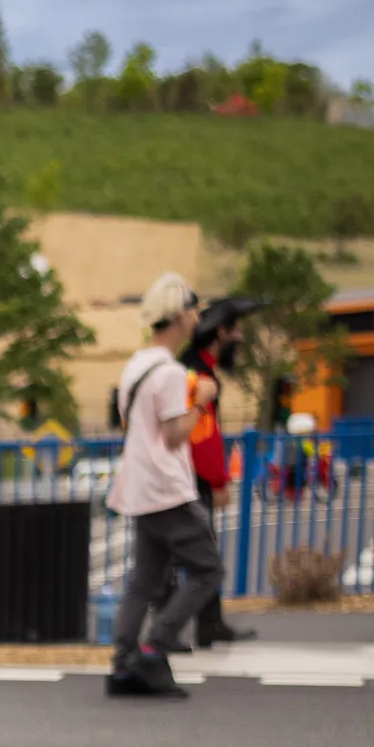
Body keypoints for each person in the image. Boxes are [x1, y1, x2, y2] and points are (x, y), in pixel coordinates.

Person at [105, 273, 223, 700]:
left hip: (138, 486)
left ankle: (122, 663)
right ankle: (155, 650)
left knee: (144, 579)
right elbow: (175, 434)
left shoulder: (136, 364)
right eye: (192, 310)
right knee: (209, 569)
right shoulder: (172, 373)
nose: (196, 318)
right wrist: (201, 399)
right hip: (167, 486)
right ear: (177, 315)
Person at [181, 297, 262, 647]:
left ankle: (209, 624)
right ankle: (168, 633)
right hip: (190, 478)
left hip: (187, 476)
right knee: (200, 557)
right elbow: (204, 436)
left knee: (200, 554)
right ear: (221, 331)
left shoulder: (201, 367)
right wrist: (217, 479)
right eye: (236, 329)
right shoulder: (198, 374)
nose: (240, 336)